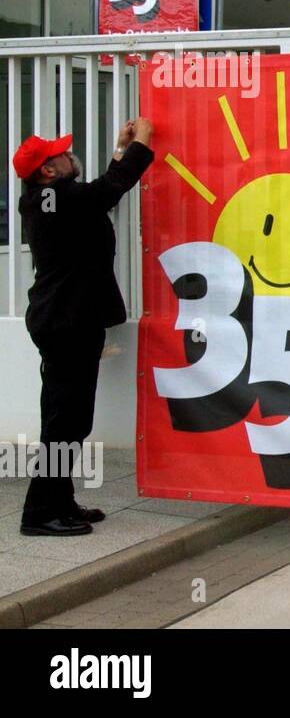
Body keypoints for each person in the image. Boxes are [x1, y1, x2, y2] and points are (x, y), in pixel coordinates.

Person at [12, 119, 155, 536]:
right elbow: (106, 190)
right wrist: (139, 148)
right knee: (63, 422)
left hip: (69, 320)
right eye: (60, 153)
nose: (68, 153)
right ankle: (38, 514)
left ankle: (60, 501)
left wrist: (119, 151)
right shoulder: (53, 199)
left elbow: (93, 198)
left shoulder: (50, 198)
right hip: (64, 323)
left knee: (70, 420)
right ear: (47, 171)